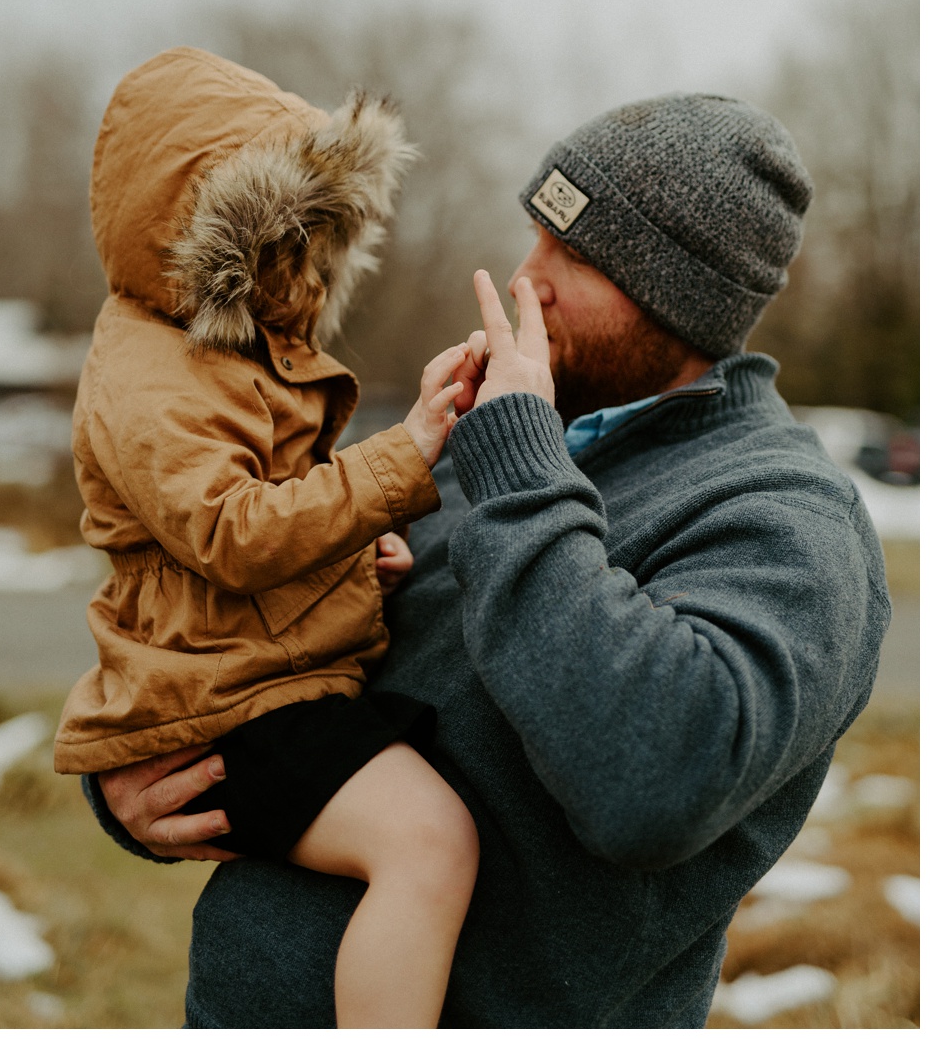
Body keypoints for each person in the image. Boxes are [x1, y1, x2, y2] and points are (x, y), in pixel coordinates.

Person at [90, 93, 891, 1027]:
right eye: (537, 237)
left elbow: (657, 781)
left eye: (578, 258)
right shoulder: (507, 434)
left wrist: (517, 467)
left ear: (682, 300)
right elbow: (287, 670)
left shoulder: (788, 519)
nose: (528, 280)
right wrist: (144, 779)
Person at [55, 48, 479, 1025]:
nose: (309, 268)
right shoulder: (150, 376)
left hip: (257, 681)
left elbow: (263, 522)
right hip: (233, 701)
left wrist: (343, 547)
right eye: (289, 238)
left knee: (428, 840)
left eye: (321, 240)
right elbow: (232, 534)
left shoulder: (214, 354)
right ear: (203, 234)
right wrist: (400, 459)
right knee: (430, 843)